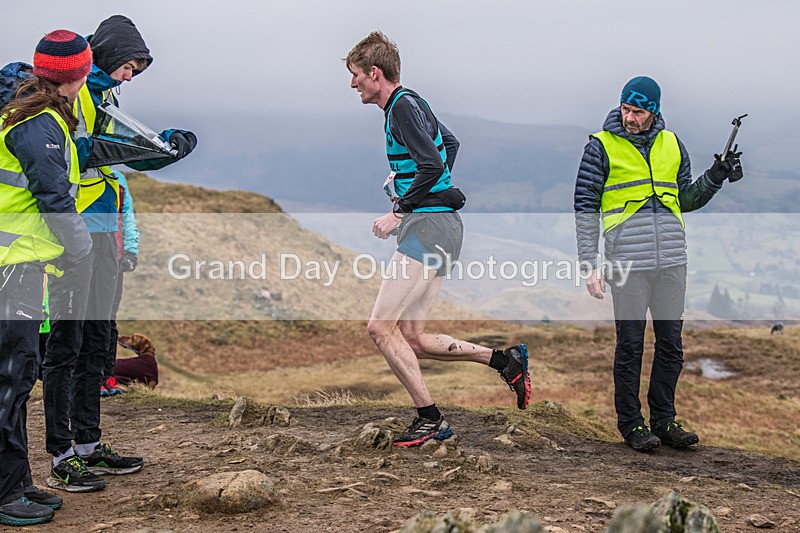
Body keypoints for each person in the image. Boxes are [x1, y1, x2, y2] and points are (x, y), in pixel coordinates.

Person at [345, 31, 531, 447]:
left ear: (375, 73)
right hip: (440, 225)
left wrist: (400, 209)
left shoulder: (400, 108)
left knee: (379, 328)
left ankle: (430, 420)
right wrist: (433, 189)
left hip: (429, 227)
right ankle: (504, 361)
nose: (352, 84)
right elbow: (449, 144)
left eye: (355, 75)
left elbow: (431, 160)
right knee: (411, 338)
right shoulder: (411, 103)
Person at [43, 14, 197, 492]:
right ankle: (61, 454)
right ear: (108, 53)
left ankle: (89, 444)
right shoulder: (75, 91)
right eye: (130, 65)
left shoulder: (104, 93)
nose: (131, 75)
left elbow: (121, 152)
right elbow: (84, 153)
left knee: (99, 339)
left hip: (104, 232)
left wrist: (167, 150)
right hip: (75, 232)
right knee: (66, 345)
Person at [573, 76, 743, 452]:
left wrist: (715, 178)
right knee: (631, 345)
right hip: (626, 261)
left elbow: (684, 199)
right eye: (626, 109)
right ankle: (632, 425)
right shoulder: (600, 147)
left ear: (654, 111)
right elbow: (585, 208)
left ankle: (664, 421)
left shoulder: (672, 143)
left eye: (638, 110)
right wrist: (589, 263)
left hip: (671, 259)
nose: (630, 117)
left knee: (671, 345)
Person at [0, 29, 94, 525]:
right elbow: (54, 197)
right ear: (77, 74)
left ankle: (16, 482)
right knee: (9, 380)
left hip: (21, 263)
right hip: (11, 266)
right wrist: (79, 249)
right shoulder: (38, 122)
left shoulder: (32, 112)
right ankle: (4, 493)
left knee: (17, 378)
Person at [101, 172, 140, 397]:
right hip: (90, 257)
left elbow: (127, 216)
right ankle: (91, 376)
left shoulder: (118, 178)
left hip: (114, 260)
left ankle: (107, 376)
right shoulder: (76, 168)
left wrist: (131, 250)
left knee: (109, 321)